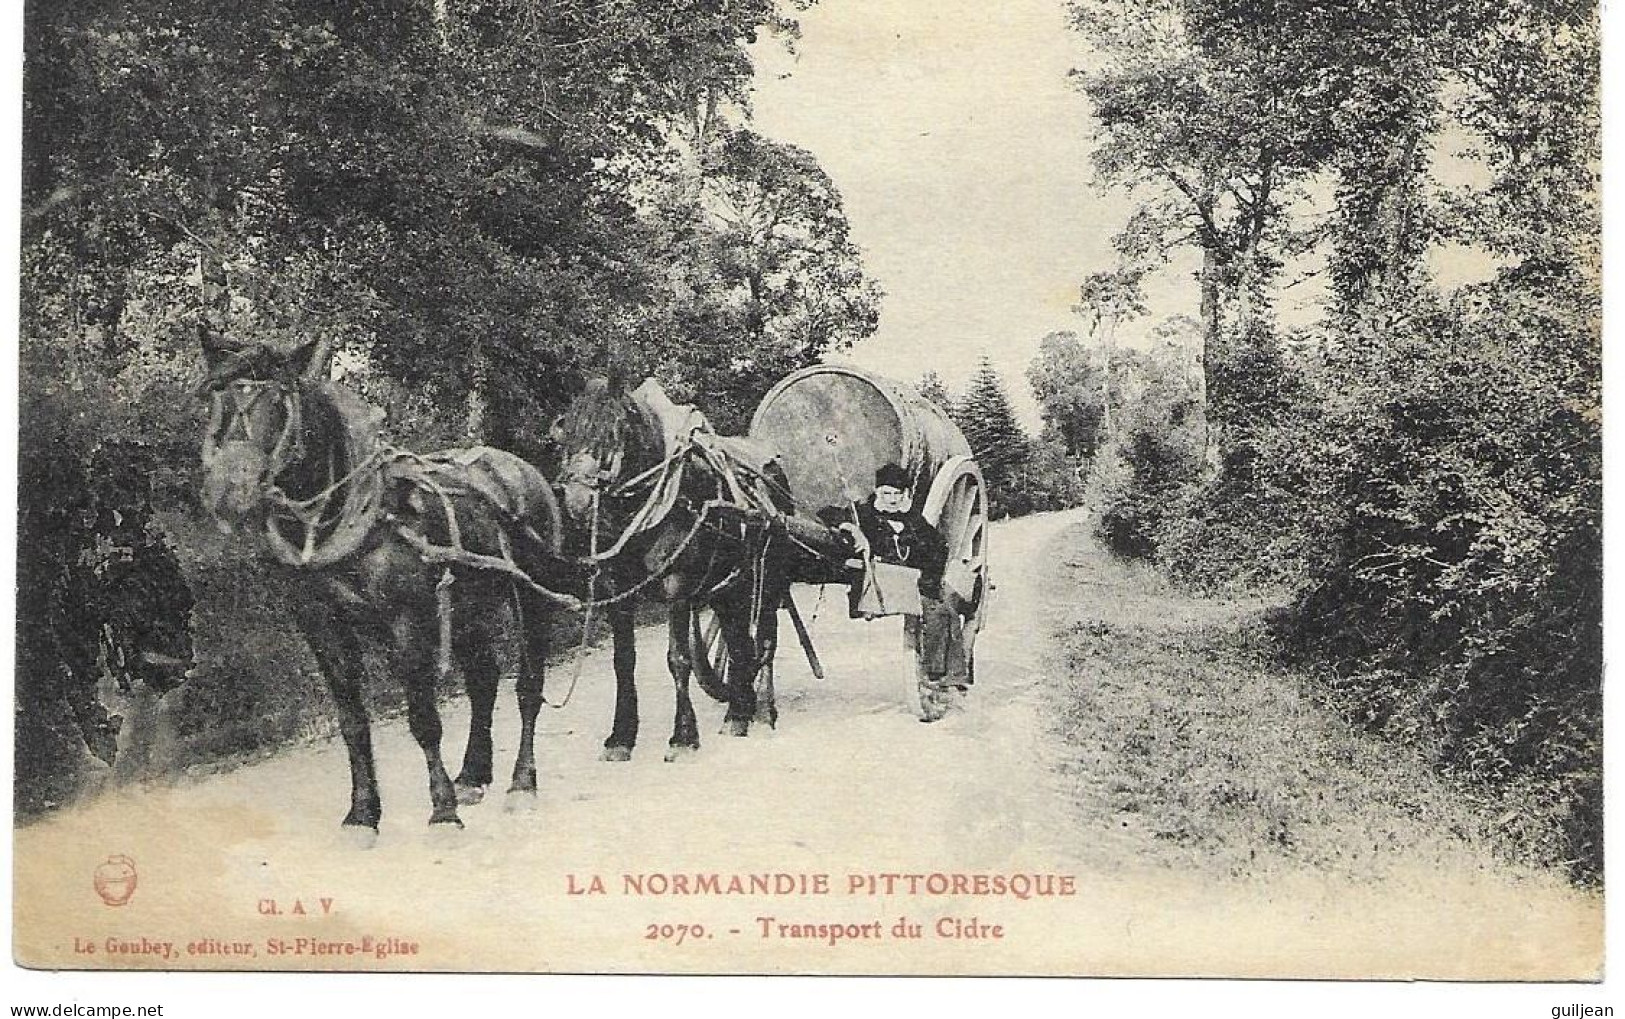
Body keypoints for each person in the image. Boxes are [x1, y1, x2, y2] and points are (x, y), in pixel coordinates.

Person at [832, 462, 968, 722]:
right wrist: (849, 527)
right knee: (937, 610)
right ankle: (942, 676)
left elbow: (938, 549)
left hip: (915, 582)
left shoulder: (914, 520)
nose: (893, 500)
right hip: (881, 582)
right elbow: (828, 513)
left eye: (897, 494)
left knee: (940, 612)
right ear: (878, 494)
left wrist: (924, 566)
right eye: (887, 494)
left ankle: (937, 676)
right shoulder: (864, 514)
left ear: (904, 495)